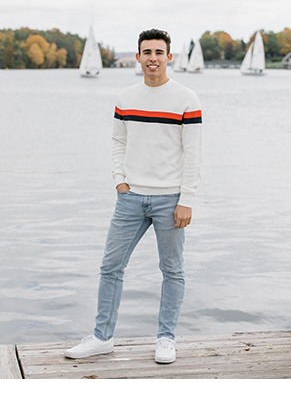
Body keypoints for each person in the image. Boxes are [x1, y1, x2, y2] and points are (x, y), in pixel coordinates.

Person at [64, 28, 203, 365]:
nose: (152, 58)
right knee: (110, 266)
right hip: (130, 198)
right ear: (138, 57)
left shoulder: (187, 99)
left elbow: (194, 152)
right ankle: (102, 337)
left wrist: (187, 198)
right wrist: (119, 181)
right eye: (146, 52)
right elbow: (118, 142)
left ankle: (166, 338)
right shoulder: (125, 97)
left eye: (158, 52)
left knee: (172, 270)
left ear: (169, 57)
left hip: (170, 199)